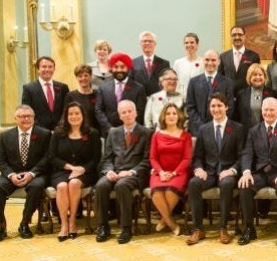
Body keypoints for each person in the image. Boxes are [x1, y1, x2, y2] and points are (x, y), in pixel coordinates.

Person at [186, 93, 245, 245]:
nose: (216, 109)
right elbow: (198, 156)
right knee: (193, 183)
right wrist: (199, 169)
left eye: (219, 105)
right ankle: (198, 229)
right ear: (209, 108)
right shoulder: (203, 129)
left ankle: (223, 228)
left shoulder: (237, 128)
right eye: (213, 106)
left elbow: (242, 155)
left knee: (226, 184)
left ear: (226, 107)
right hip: (209, 172)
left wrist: (232, 170)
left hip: (228, 172)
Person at [237, 98, 277, 247]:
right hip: (260, 173)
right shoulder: (253, 130)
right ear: (261, 111)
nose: (268, 113)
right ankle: (249, 228)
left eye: (272, 110)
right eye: (266, 110)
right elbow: (247, 153)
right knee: (244, 186)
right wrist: (246, 172)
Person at [0, 105, 51, 243]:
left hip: (36, 173)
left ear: (34, 118)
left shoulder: (44, 134)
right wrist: (11, 175)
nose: (26, 119)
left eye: (29, 116)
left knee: (37, 187)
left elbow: (48, 158)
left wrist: (32, 173)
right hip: (12, 174)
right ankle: (0, 226)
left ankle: (24, 223)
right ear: (15, 119)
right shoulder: (5, 136)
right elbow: (0, 161)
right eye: (22, 116)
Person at [95, 100, 152, 244]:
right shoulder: (113, 132)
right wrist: (108, 171)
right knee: (101, 185)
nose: (127, 115)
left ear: (136, 113)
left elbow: (147, 160)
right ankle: (103, 226)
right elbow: (107, 158)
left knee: (122, 185)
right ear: (119, 116)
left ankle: (126, 228)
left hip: (135, 175)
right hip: (115, 172)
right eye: (123, 112)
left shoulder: (146, 133)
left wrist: (131, 172)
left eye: (129, 111)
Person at [48, 102, 101, 241]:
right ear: (66, 116)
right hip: (62, 170)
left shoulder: (92, 133)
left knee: (74, 183)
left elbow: (96, 159)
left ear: (83, 115)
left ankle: (72, 221)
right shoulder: (58, 133)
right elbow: (51, 156)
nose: (74, 116)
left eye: (77, 113)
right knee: (61, 186)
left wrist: (82, 169)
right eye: (70, 114)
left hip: (86, 171)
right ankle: (64, 224)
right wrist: (70, 168)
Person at [149, 103, 192, 236]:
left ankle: (163, 220)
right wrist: (161, 172)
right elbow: (152, 157)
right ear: (163, 116)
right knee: (156, 192)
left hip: (179, 172)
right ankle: (171, 222)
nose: (171, 116)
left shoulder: (186, 136)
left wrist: (173, 173)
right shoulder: (156, 135)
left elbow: (187, 159)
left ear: (179, 116)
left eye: (174, 113)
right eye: (168, 113)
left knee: (170, 192)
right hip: (159, 172)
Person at [95, 52, 147, 137]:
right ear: (111, 68)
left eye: (122, 67)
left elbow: (140, 111)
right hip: (110, 133)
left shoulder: (138, 88)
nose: (119, 70)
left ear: (128, 68)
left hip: (132, 133)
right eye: (116, 67)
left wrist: (129, 128)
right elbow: (98, 110)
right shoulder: (103, 88)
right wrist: (109, 129)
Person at [186, 49, 235, 135]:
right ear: (202, 61)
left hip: (220, 129)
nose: (210, 63)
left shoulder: (227, 82)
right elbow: (190, 107)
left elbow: (230, 106)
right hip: (198, 130)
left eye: (213, 60)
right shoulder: (193, 82)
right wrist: (202, 126)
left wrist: (217, 123)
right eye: (207, 60)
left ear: (219, 62)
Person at [22, 56, 69, 131]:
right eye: (44, 67)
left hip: (60, 132)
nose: (47, 69)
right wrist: (42, 130)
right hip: (39, 133)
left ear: (54, 69)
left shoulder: (63, 87)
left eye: (50, 67)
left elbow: (66, 109)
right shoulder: (28, 89)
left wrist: (60, 127)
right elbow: (27, 111)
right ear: (38, 69)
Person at [234, 63, 277, 136]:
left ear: (265, 77)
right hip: (246, 134)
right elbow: (237, 116)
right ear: (249, 77)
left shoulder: (273, 94)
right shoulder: (240, 94)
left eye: (260, 75)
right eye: (254, 75)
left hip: (266, 134)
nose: (258, 77)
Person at [218, 26, 261, 95]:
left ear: (244, 37)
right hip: (228, 96)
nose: (237, 37)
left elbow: (257, 78)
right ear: (230, 37)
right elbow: (220, 79)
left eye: (240, 35)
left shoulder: (254, 56)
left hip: (247, 96)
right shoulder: (223, 57)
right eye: (234, 35)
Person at [131, 31, 171, 96]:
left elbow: (167, 83)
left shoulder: (164, 64)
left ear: (155, 44)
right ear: (140, 44)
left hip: (158, 100)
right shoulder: (133, 63)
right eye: (144, 41)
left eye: (150, 41)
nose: (147, 43)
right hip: (139, 100)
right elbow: (131, 84)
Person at [64, 64, 99, 131]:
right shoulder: (70, 96)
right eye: (80, 76)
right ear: (76, 78)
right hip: (77, 133)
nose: (83, 78)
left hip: (96, 133)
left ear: (90, 77)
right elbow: (66, 116)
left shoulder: (98, 94)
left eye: (86, 75)